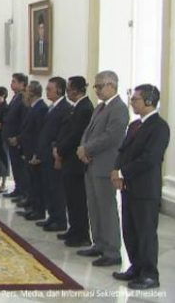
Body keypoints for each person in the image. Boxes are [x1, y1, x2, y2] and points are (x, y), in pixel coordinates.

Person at [111, 84, 170, 290]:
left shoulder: (159, 127)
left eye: (135, 99)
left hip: (146, 190)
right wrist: (116, 168)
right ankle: (135, 267)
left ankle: (149, 274)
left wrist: (122, 172)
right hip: (129, 187)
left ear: (149, 101)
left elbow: (150, 158)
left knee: (145, 233)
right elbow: (123, 150)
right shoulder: (135, 125)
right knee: (130, 229)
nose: (132, 102)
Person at [76, 70, 129, 267]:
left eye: (99, 86)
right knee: (94, 207)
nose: (96, 90)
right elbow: (88, 131)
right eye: (95, 86)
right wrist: (83, 148)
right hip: (91, 163)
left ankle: (112, 251)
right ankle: (98, 243)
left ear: (111, 86)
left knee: (106, 208)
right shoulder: (100, 107)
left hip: (105, 164)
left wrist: (87, 148)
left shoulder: (119, 108)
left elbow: (112, 136)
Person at [53, 76, 94, 247]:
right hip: (68, 158)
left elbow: (76, 135)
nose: (67, 92)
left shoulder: (85, 108)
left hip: (75, 160)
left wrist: (60, 150)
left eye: (69, 89)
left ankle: (82, 233)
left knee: (77, 199)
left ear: (76, 90)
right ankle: (74, 228)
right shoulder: (76, 107)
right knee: (70, 197)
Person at [35, 77, 71, 232]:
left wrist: (57, 151)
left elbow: (61, 133)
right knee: (48, 187)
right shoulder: (52, 107)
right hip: (45, 154)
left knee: (57, 189)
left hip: (54, 155)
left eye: (50, 89)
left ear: (59, 90)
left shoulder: (65, 108)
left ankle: (60, 220)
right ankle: (52, 216)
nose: (46, 91)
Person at [18, 81, 48, 221]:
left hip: (35, 151)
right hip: (29, 150)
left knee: (37, 183)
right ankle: (33, 208)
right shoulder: (32, 107)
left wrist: (37, 152)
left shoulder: (41, 108)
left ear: (33, 92)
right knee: (32, 182)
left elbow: (39, 133)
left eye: (27, 90)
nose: (25, 93)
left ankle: (39, 210)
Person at [2, 73, 29, 198]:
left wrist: (18, 138)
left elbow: (23, 120)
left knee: (20, 166)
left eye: (14, 81)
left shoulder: (24, 99)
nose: (11, 84)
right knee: (15, 166)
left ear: (22, 84)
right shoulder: (15, 97)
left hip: (17, 139)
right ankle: (18, 188)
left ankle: (23, 190)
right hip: (10, 138)